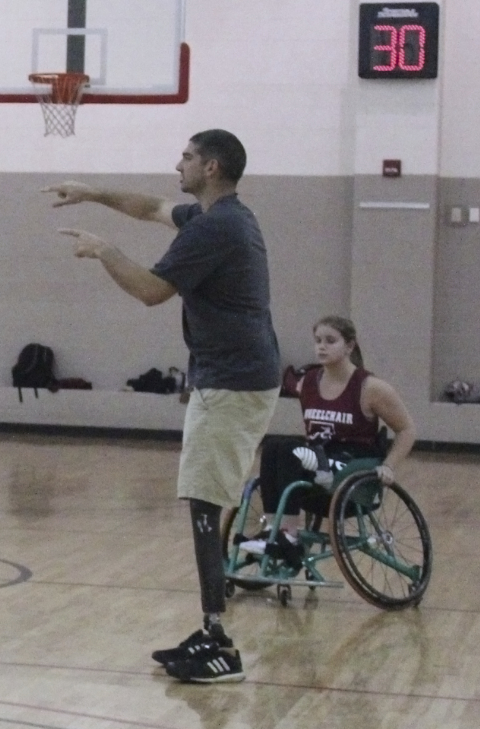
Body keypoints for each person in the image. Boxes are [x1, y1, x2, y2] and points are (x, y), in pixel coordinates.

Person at [49, 128, 280, 684]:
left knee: (204, 502)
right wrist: (93, 193)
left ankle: (218, 640)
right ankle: (211, 630)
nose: (178, 163)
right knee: (204, 500)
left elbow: (152, 291)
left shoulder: (217, 228)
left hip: (233, 381)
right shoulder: (217, 216)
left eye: (187, 157)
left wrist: (105, 249)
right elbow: (152, 207)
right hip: (233, 376)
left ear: (213, 167)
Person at [252, 315, 417, 564]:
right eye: (317, 340)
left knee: (288, 449)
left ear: (349, 346)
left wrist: (389, 465)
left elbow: (407, 430)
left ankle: (288, 535)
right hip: (319, 459)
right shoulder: (307, 381)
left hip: (351, 465)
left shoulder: (371, 387)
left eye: (330, 341)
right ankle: (274, 531)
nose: (321, 346)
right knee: (274, 444)